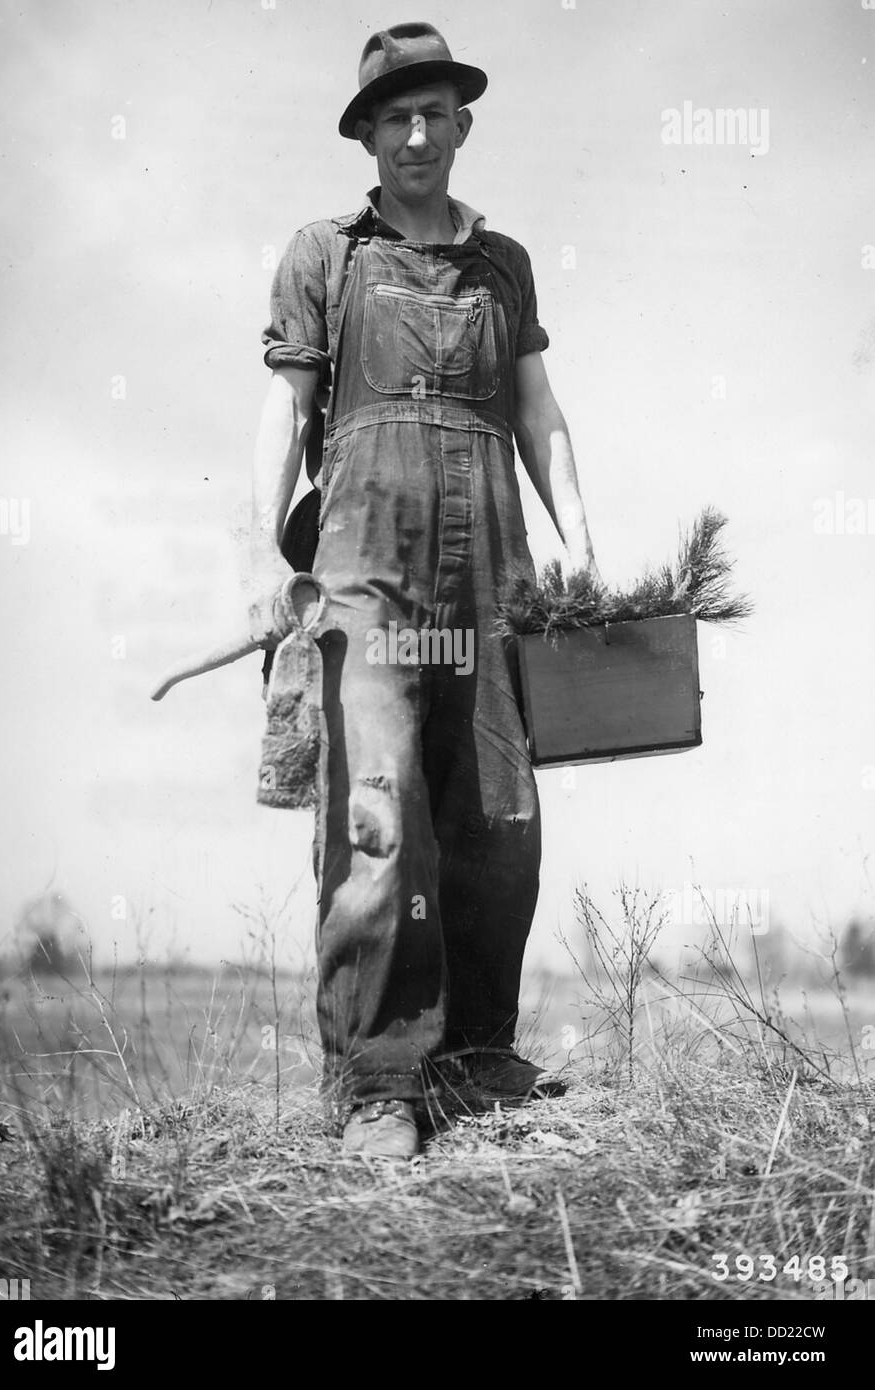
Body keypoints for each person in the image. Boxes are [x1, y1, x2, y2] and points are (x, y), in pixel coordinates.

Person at [250, 22, 600, 1159]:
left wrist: (581, 548)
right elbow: (287, 409)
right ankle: (377, 1086)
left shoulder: (504, 263)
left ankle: (476, 1058)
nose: (414, 133)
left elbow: (538, 413)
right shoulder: (325, 254)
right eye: (393, 116)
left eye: (433, 113)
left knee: (497, 813)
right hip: (364, 558)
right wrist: (264, 549)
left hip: (492, 558)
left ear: (460, 126)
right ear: (366, 132)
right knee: (376, 812)